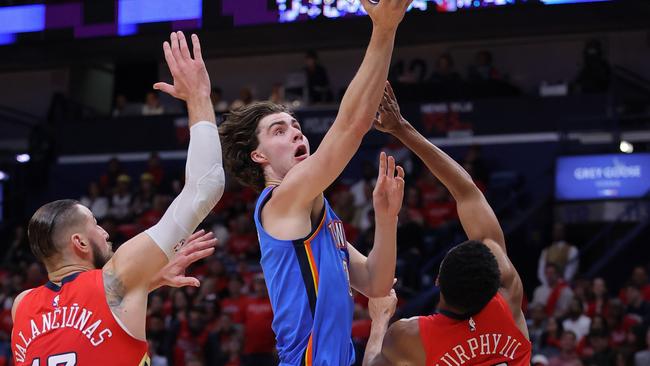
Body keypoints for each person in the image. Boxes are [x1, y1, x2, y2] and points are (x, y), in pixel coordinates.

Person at [10, 31, 225, 365]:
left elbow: (83, 321)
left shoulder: (22, 305)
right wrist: (198, 97)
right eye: (96, 225)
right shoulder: (117, 276)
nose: (106, 232)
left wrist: (146, 280)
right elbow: (204, 188)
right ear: (80, 242)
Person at [218, 2, 412, 365]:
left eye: (296, 127)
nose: (294, 133)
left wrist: (386, 220)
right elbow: (352, 126)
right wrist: (384, 30)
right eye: (279, 131)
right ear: (259, 156)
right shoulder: (279, 201)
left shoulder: (321, 216)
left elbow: (375, 284)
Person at [362, 81, 531, 365]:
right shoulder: (509, 298)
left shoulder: (409, 336)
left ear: (438, 280)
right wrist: (402, 128)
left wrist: (379, 319)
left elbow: (371, 364)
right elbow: (467, 192)